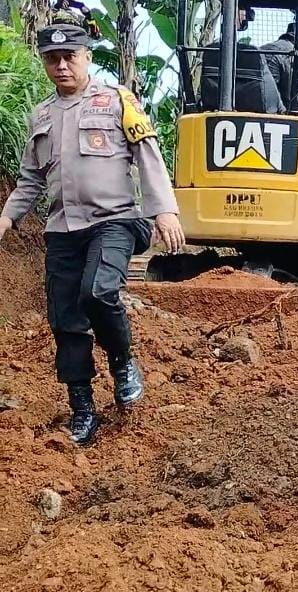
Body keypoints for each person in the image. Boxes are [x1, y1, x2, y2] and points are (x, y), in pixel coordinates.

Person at [0, 24, 185, 446]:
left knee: (98, 291)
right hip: (63, 230)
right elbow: (31, 180)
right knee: (65, 320)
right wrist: (7, 218)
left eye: (70, 56)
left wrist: (164, 210)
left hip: (114, 220)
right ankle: (82, 409)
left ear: (87, 57)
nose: (61, 65)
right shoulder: (41, 115)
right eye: (52, 59)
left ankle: (123, 363)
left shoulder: (117, 100)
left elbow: (148, 154)